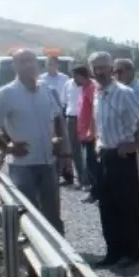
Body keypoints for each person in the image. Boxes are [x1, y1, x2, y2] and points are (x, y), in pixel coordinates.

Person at [0, 48, 69, 231]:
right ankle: (30, 254)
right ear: (15, 66)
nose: (28, 65)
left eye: (31, 60)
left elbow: (57, 116)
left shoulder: (46, 89)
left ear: (37, 64)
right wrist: (6, 148)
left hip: (48, 162)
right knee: (29, 212)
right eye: (22, 61)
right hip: (23, 164)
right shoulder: (7, 93)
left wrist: (58, 139)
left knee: (52, 212)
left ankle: (60, 255)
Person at [88, 51, 139, 268]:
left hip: (123, 156)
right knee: (107, 207)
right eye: (95, 68)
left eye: (103, 67)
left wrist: (135, 144)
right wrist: (98, 146)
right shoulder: (98, 94)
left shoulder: (124, 93)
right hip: (105, 155)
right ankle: (112, 252)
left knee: (127, 207)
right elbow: (101, 125)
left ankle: (130, 253)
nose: (99, 71)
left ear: (111, 69)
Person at [114, 58, 139, 230]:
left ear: (130, 70)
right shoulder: (118, 90)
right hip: (124, 140)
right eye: (114, 72)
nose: (116, 75)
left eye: (119, 71)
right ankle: (130, 215)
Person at [41, 56, 74, 185]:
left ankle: (68, 172)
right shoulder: (41, 79)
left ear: (57, 65)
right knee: (51, 143)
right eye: (49, 64)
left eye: (53, 64)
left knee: (65, 144)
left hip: (62, 112)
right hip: (46, 114)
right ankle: (54, 172)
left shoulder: (64, 78)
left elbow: (66, 97)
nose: (51, 66)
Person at [62, 66, 89, 188]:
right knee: (75, 150)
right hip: (71, 118)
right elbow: (63, 101)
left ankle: (88, 179)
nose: (74, 78)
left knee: (87, 149)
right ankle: (81, 179)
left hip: (85, 119)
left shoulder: (90, 85)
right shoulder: (67, 84)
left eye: (76, 76)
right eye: (73, 75)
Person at [77, 66, 99, 204]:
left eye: (76, 76)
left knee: (93, 165)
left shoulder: (91, 88)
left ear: (83, 76)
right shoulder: (84, 88)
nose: (74, 80)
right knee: (89, 165)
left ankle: (97, 193)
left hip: (90, 134)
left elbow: (93, 111)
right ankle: (94, 192)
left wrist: (91, 132)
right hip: (84, 133)